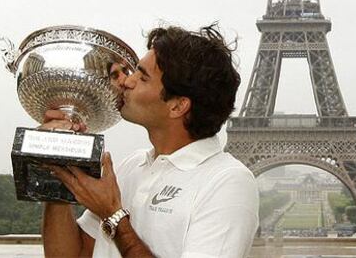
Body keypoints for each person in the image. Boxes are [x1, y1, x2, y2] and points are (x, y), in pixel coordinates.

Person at [42, 24, 259, 257]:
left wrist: (114, 216)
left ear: (177, 105)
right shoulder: (131, 167)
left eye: (142, 76)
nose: (127, 81)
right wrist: (61, 167)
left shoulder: (227, 182)